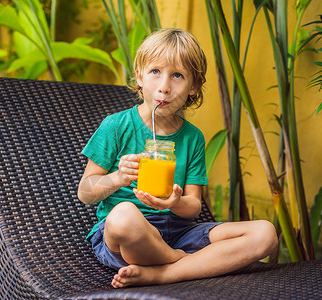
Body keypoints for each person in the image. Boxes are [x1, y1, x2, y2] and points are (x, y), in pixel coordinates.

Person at [77, 28, 278, 289]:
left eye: (178, 76)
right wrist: (118, 177)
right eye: (155, 72)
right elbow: (85, 192)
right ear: (139, 75)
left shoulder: (192, 137)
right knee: (123, 215)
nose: (164, 87)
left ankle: (162, 274)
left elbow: (193, 206)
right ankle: (180, 261)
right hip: (129, 238)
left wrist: (174, 202)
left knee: (265, 234)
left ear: (193, 86)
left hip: (178, 231)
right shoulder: (116, 126)